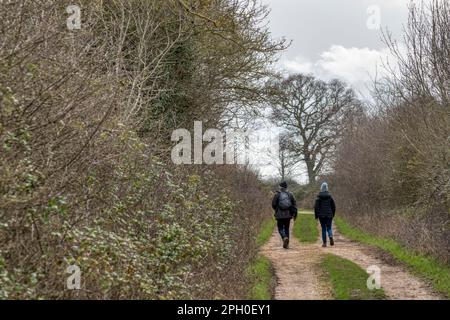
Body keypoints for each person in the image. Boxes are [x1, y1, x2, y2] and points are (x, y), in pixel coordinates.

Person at [272, 181, 297, 249]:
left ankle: (284, 237)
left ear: (280, 187)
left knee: (280, 228)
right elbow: (294, 203)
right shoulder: (290, 194)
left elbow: (273, 204)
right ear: (286, 187)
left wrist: (276, 209)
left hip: (279, 215)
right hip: (288, 215)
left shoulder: (277, 194)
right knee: (287, 229)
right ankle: (287, 244)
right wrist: (294, 213)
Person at [314, 182, 336, 247]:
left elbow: (316, 207)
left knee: (323, 228)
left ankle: (324, 243)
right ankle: (331, 236)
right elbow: (334, 206)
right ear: (327, 188)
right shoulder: (330, 197)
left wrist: (316, 215)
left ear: (321, 188)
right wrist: (333, 214)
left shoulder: (318, 197)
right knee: (329, 227)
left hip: (321, 215)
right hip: (329, 215)